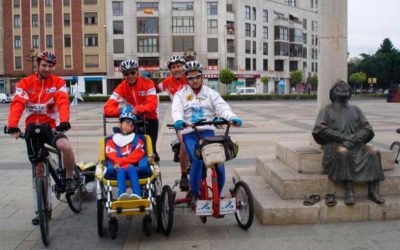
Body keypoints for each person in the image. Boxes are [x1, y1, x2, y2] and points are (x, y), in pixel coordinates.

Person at [6, 51, 76, 225]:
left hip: (52, 126)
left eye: (50, 66)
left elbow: (62, 102)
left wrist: (64, 121)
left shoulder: (58, 83)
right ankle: (43, 210)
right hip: (33, 129)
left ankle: (68, 178)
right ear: (37, 65)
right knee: (39, 172)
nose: (47, 69)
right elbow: (17, 104)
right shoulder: (25, 83)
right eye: (44, 65)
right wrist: (12, 125)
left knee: (65, 147)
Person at [171, 60, 243, 207]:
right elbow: (177, 109)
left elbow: (222, 108)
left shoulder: (211, 93)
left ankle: (217, 195)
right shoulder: (180, 95)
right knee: (197, 160)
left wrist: (231, 117)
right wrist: (178, 120)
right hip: (190, 133)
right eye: (190, 78)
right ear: (186, 78)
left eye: (197, 76)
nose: (194, 80)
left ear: (202, 76)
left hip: (209, 133)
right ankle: (195, 194)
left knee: (219, 165)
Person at [312, 81, 385, 205]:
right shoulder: (327, 110)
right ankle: (348, 190)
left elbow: (367, 128)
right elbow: (320, 128)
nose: (344, 88)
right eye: (339, 87)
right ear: (333, 94)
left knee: (374, 152)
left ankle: (374, 190)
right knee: (343, 152)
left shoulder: (356, 109)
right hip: (335, 145)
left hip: (357, 144)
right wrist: (344, 138)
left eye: (346, 87)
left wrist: (355, 138)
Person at [104, 59, 159, 162]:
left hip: (150, 119)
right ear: (123, 75)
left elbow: (152, 105)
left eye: (133, 72)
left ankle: (154, 170)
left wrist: (137, 109)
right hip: (132, 121)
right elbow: (107, 108)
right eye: (126, 74)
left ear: (137, 71)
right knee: (131, 147)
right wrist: (121, 110)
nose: (130, 76)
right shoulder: (121, 87)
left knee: (150, 149)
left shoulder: (148, 83)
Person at [156, 55, 190, 191]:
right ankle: (183, 176)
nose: (177, 69)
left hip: (195, 116)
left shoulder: (190, 78)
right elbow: (153, 89)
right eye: (173, 67)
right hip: (180, 117)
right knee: (184, 144)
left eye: (179, 66)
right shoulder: (167, 82)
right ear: (170, 70)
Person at [105, 111, 150, 200]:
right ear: (120, 124)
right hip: (118, 167)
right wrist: (118, 163)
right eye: (127, 122)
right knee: (120, 170)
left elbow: (138, 154)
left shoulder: (138, 139)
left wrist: (120, 162)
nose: (130, 125)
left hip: (132, 166)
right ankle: (121, 194)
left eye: (132, 123)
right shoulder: (111, 140)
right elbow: (111, 153)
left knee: (130, 168)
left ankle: (137, 194)